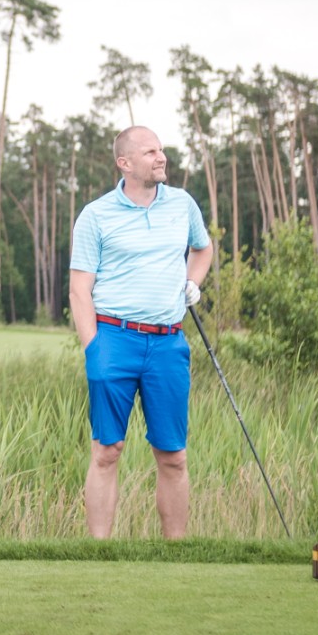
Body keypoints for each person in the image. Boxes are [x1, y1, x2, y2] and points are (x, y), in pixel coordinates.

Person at [66, 125, 213, 539]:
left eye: (161, 149)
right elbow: (79, 290)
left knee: (173, 455)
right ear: (125, 163)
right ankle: (99, 553)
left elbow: (203, 248)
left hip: (168, 343)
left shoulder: (182, 204)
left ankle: (175, 554)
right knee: (107, 451)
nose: (161, 157)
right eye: (150, 152)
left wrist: (193, 281)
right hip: (114, 340)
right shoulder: (96, 215)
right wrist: (94, 349)